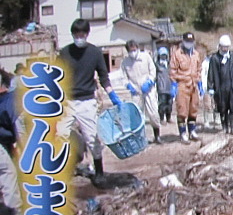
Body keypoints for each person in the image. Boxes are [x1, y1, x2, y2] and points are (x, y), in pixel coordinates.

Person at [57, 19, 122, 185]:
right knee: (60, 135)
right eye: (76, 34)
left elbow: (103, 76)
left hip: (87, 102)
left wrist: (112, 95)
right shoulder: (65, 53)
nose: (79, 37)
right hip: (67, 102)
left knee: (93, 138)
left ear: (87, 34)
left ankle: (99, 171)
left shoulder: (95, 53)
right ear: (72, 35)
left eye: (82, 34)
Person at [122, 40, 162, 144]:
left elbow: (153, 71)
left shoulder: (146, 57)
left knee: (153, 112)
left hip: (148, 89)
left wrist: (149, 81)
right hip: (136, 91)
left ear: (137, 48)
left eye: (134, 50)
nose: (133, 52)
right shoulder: (125, 62)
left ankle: (157, 135)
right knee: (137, 115)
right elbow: (123, 77)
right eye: (131, 51)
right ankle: (141, 138)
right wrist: (128, 85)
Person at [207, 35, 233, 135]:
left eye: (226, 47)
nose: (225, 49)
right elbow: (211, 74)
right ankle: (224, 127)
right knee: (223, 108)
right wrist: (210, 87)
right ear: (219, 46)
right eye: (223, 47)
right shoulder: (214, 59)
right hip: (221, 88)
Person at [169, 32, 203, 144]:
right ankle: (183, 133)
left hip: (194, 85)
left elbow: (199, 69)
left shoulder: (196, 54)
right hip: (182, 85)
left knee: (193, 110)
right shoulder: (177, 54)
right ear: (183, 41)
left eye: (191, 42)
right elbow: (173, 70)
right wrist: (174, 85)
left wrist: (200, 84)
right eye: (187, 42)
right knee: (182, 110)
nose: (189, 44)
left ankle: (192, 131)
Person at [0, 68, 23, 215]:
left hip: (4, 140)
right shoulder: (11, 101)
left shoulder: (9, 100)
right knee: (8, 170)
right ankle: (17, 213)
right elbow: (20, 131)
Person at [155, 47, 173, 124]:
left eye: (165, 55)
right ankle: (162, 119)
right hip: (161, 87)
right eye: (162, 55)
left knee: (169, 103)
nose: (164, 57)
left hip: (169, 87)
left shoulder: (169, 64)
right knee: (162, 103)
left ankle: (169, 118)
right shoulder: (156, 65)